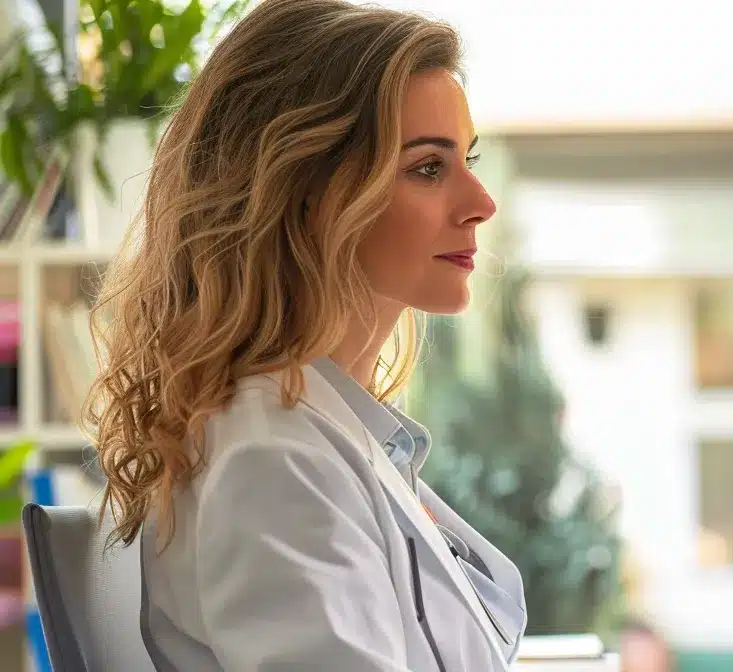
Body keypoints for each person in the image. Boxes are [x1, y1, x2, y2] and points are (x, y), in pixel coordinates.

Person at [82, 1, 523, 669]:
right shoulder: (273, 460)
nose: (481, 202)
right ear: (306, 191)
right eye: (428, 168)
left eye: (467, 158)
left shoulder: (327, 430)